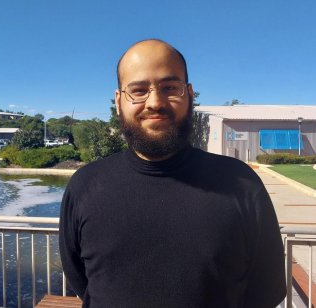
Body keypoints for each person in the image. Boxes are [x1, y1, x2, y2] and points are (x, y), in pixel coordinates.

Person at [59, 39, 286, 308]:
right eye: (139, 90)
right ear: (119, 101)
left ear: (189, 94)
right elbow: (81, 281)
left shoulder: (241, 184)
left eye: (170, 88)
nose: (155, 102)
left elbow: (267, 289)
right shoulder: (85, 186)